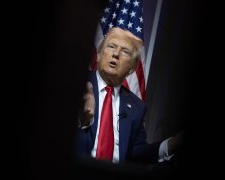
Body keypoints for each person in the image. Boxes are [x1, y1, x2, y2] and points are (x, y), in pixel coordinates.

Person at [76, 27, 183, 164]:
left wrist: (172, 144)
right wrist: (82, 122)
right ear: (99, 54)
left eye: (125, 51)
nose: (116, 54)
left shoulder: (137, 107)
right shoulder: (78, 85)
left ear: (132, 67)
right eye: (111, 46)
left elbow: (138, 153)